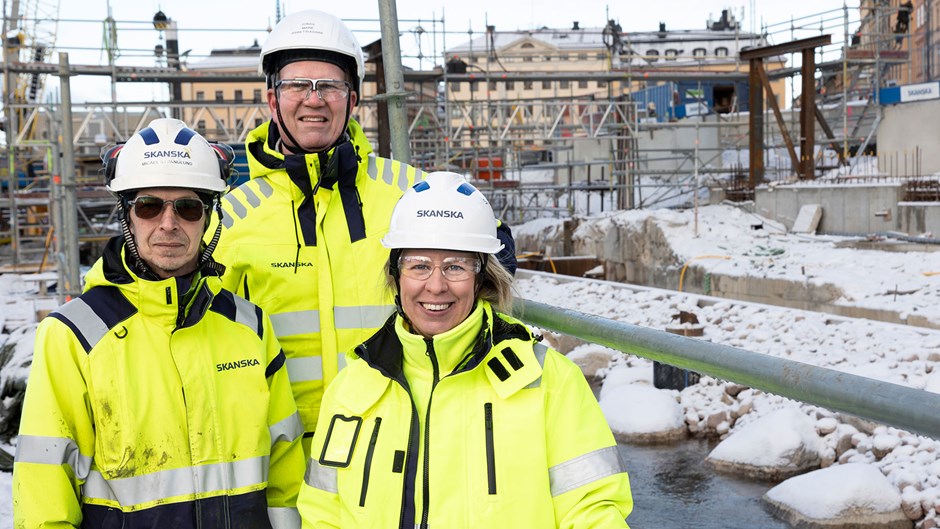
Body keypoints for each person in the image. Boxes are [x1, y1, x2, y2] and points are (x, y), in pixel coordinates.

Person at [210, 9, 515, 452]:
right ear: (273, 100)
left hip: (402, 439)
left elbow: (493, 244)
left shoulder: (406, 191)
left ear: (352, 100)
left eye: (329, 86)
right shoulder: (231, 218)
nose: (313, 100)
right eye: (297, 85)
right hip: (283, 452)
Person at [297, 172, 633, 528]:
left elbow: (593, 511)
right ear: (396, 275)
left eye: (455, 267)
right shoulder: (352, 388)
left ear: (482, 278)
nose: (436, 286)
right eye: (419, 265)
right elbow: (323, 514)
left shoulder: (549, 383)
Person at [13, 118, 305, 528]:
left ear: (208, 217)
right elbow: (44, 490)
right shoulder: (74, 335)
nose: (168, 224)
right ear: (128, 215)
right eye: (149, 206)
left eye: (187, 207)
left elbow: (284, 472)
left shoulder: (249, 326)